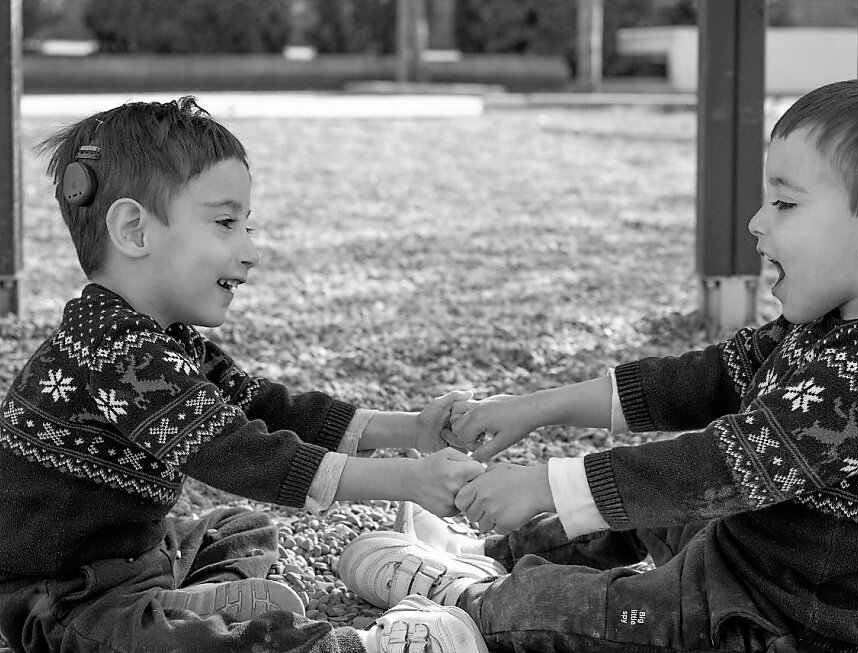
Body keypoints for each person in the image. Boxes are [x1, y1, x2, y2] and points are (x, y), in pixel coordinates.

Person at [336, 74, 858, 653]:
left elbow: (723, 465)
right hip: (750, 546)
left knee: (598, 594)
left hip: (781, 615)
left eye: (785, 203)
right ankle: (485, 556)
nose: (757, 222)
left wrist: (543, 481)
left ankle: (474, 613)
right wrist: (538, 408)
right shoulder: (830, 330)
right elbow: (698, 382)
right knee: (654, 505)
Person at [0, 97, 491, 653]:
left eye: (247, 226)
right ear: (135, 230)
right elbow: (241, 452)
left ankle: (185, 606)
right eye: (226, 223)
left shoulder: (160, 337)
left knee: (238, 528)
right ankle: (351, 647)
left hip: (140, 555)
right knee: (156, 643)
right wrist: (407, 480)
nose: (250, 251)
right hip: (66, 596)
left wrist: (411, 430)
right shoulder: (116, 356)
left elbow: (263, 407)